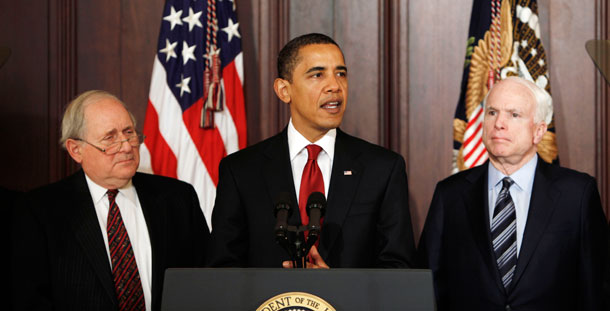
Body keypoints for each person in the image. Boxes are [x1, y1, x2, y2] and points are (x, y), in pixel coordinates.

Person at [208, 33, 415, 268]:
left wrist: (336, 288)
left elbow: (399, 270)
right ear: (284, 90)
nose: (335, 86)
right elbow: (223, 270)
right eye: (318, 75)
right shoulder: (241, 170)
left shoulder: (383, 169)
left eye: (341, 74)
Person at [418, 76, 608, 310]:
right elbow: (428, 286)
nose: (499, 123)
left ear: (538, 131)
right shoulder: (450, 194)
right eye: (492, 113)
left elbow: (595, 289)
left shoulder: (577, 194)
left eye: (513, 114)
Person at [10, 90, 210, 311]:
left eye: (129, 133)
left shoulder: (178, 199)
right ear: (76, 150)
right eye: (110, 138)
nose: (126, 146)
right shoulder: (40, 211)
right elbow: (29, 300)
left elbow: (205, 281)